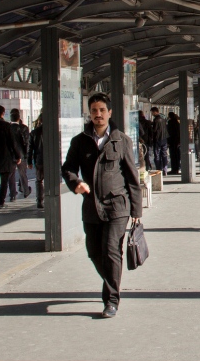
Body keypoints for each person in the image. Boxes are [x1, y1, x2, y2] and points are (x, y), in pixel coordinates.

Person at [60, 93, 142, 319]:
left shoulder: (121, 140)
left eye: (102, 110)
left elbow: (132, 178)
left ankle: (111, 300)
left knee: (111, 250)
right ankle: (111, 280)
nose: (98, 114)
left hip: (117, 205)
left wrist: (136, 211)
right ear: (89, 113)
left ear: (110, 113)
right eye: (94, 110)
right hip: (91, 206)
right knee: (94, 252)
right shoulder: (79, 141)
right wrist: (75, 183)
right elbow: (67, 168)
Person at [10, 108, 32, 201]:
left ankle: (12, 194)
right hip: (21, 154)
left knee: (11, 175)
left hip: (10, 155)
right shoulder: (24, 128)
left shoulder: (8, 128)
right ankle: (25, 191)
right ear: (19, 117)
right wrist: (27, 155)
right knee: (23, 173)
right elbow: (27, 142)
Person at [28, 114, 45, 209]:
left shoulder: (34, 133)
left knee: (39, 181)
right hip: (51, 160)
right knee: (51, 180)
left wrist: (29, 161)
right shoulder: (53, 131)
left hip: (39, 160)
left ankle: (40, 200)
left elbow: (30, 149)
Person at [150, 107, 168, 175]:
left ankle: (159, 170)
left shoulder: (156, 120)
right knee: (164, 154)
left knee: (157, 155)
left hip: (157, 139)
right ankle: (165, 169)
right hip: (164, 139)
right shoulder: (163, 119)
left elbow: (154, 130)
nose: (152, 114)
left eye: (152, 112)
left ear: (155, 112)